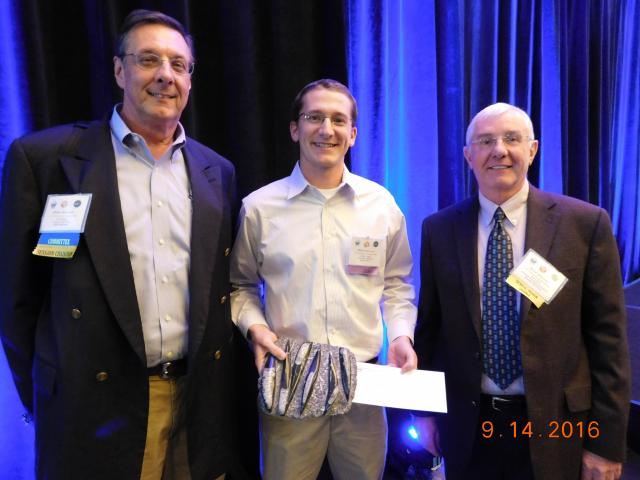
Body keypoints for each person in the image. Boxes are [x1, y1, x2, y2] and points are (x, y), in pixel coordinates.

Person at [0, 9, 236, 480]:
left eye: (179, 64)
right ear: (119, 70)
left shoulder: (217, 173)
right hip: (95, 403)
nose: (165, 76)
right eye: (149, 60)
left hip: (195, 403)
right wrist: (47, 390)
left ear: (190, 79)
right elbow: (16, 300)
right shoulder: (49, 159)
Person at [414, 102, 630, 479]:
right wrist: (424, 412)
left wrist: (606, 442)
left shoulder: (584, 224)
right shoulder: (439, 230)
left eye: (512, 139)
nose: (499, 149)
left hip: (557, 425)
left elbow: (608, 342)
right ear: (469, 156)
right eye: (485, 141)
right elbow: (430, 332)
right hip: (469, 424)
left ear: (532, 150)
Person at [230, 78, 417, 480]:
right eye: (314, 117)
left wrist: (401, 336)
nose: (325, 129)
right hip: (290, 381)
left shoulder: (381, 205)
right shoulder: (259, 208)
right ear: (295, 128)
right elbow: (240, 286)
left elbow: (398, 283)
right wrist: (255, 328)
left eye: (338, 120)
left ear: (352, 134)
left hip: (364, 384)